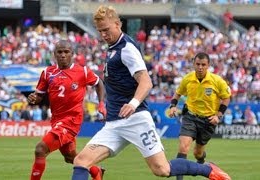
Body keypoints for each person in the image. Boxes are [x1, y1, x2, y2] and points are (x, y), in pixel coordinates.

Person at [71, 5, 231, 180]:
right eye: (100, 31)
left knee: (162, 170)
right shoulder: (113, 48)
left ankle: (208, 170)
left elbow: (146, 82)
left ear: (118, 24)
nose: (103, 34)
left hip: (136, 120)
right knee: (81, 161)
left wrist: (133, 104)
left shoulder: (127, 49)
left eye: (106, 29)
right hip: (114, 124)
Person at [28, 40, 106, 180]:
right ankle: (96, 171)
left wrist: (101, 103)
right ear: (54, 54)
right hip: (57, 120)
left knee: (40, 150)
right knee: (71, 158)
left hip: (72, 120)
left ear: (72, 54)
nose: (63, 55)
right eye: (60, 52)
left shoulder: (82, 71)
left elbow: (99, 83)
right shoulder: (47, 72)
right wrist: (34, 98)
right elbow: (39, 96)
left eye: (66, 52)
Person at [168, 52, 231, 180]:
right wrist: (173, 106)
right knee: (183, 147)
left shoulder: (217, 81)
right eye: (198, 64)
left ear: (208, 65)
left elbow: (226, 98)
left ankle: (202, 160)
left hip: (208, 120)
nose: (200, 67)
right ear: (193, 64)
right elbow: (177, 94)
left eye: (203, 64)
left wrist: (218, 116)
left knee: (197, 153)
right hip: (190, 116)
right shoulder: (188, 78)